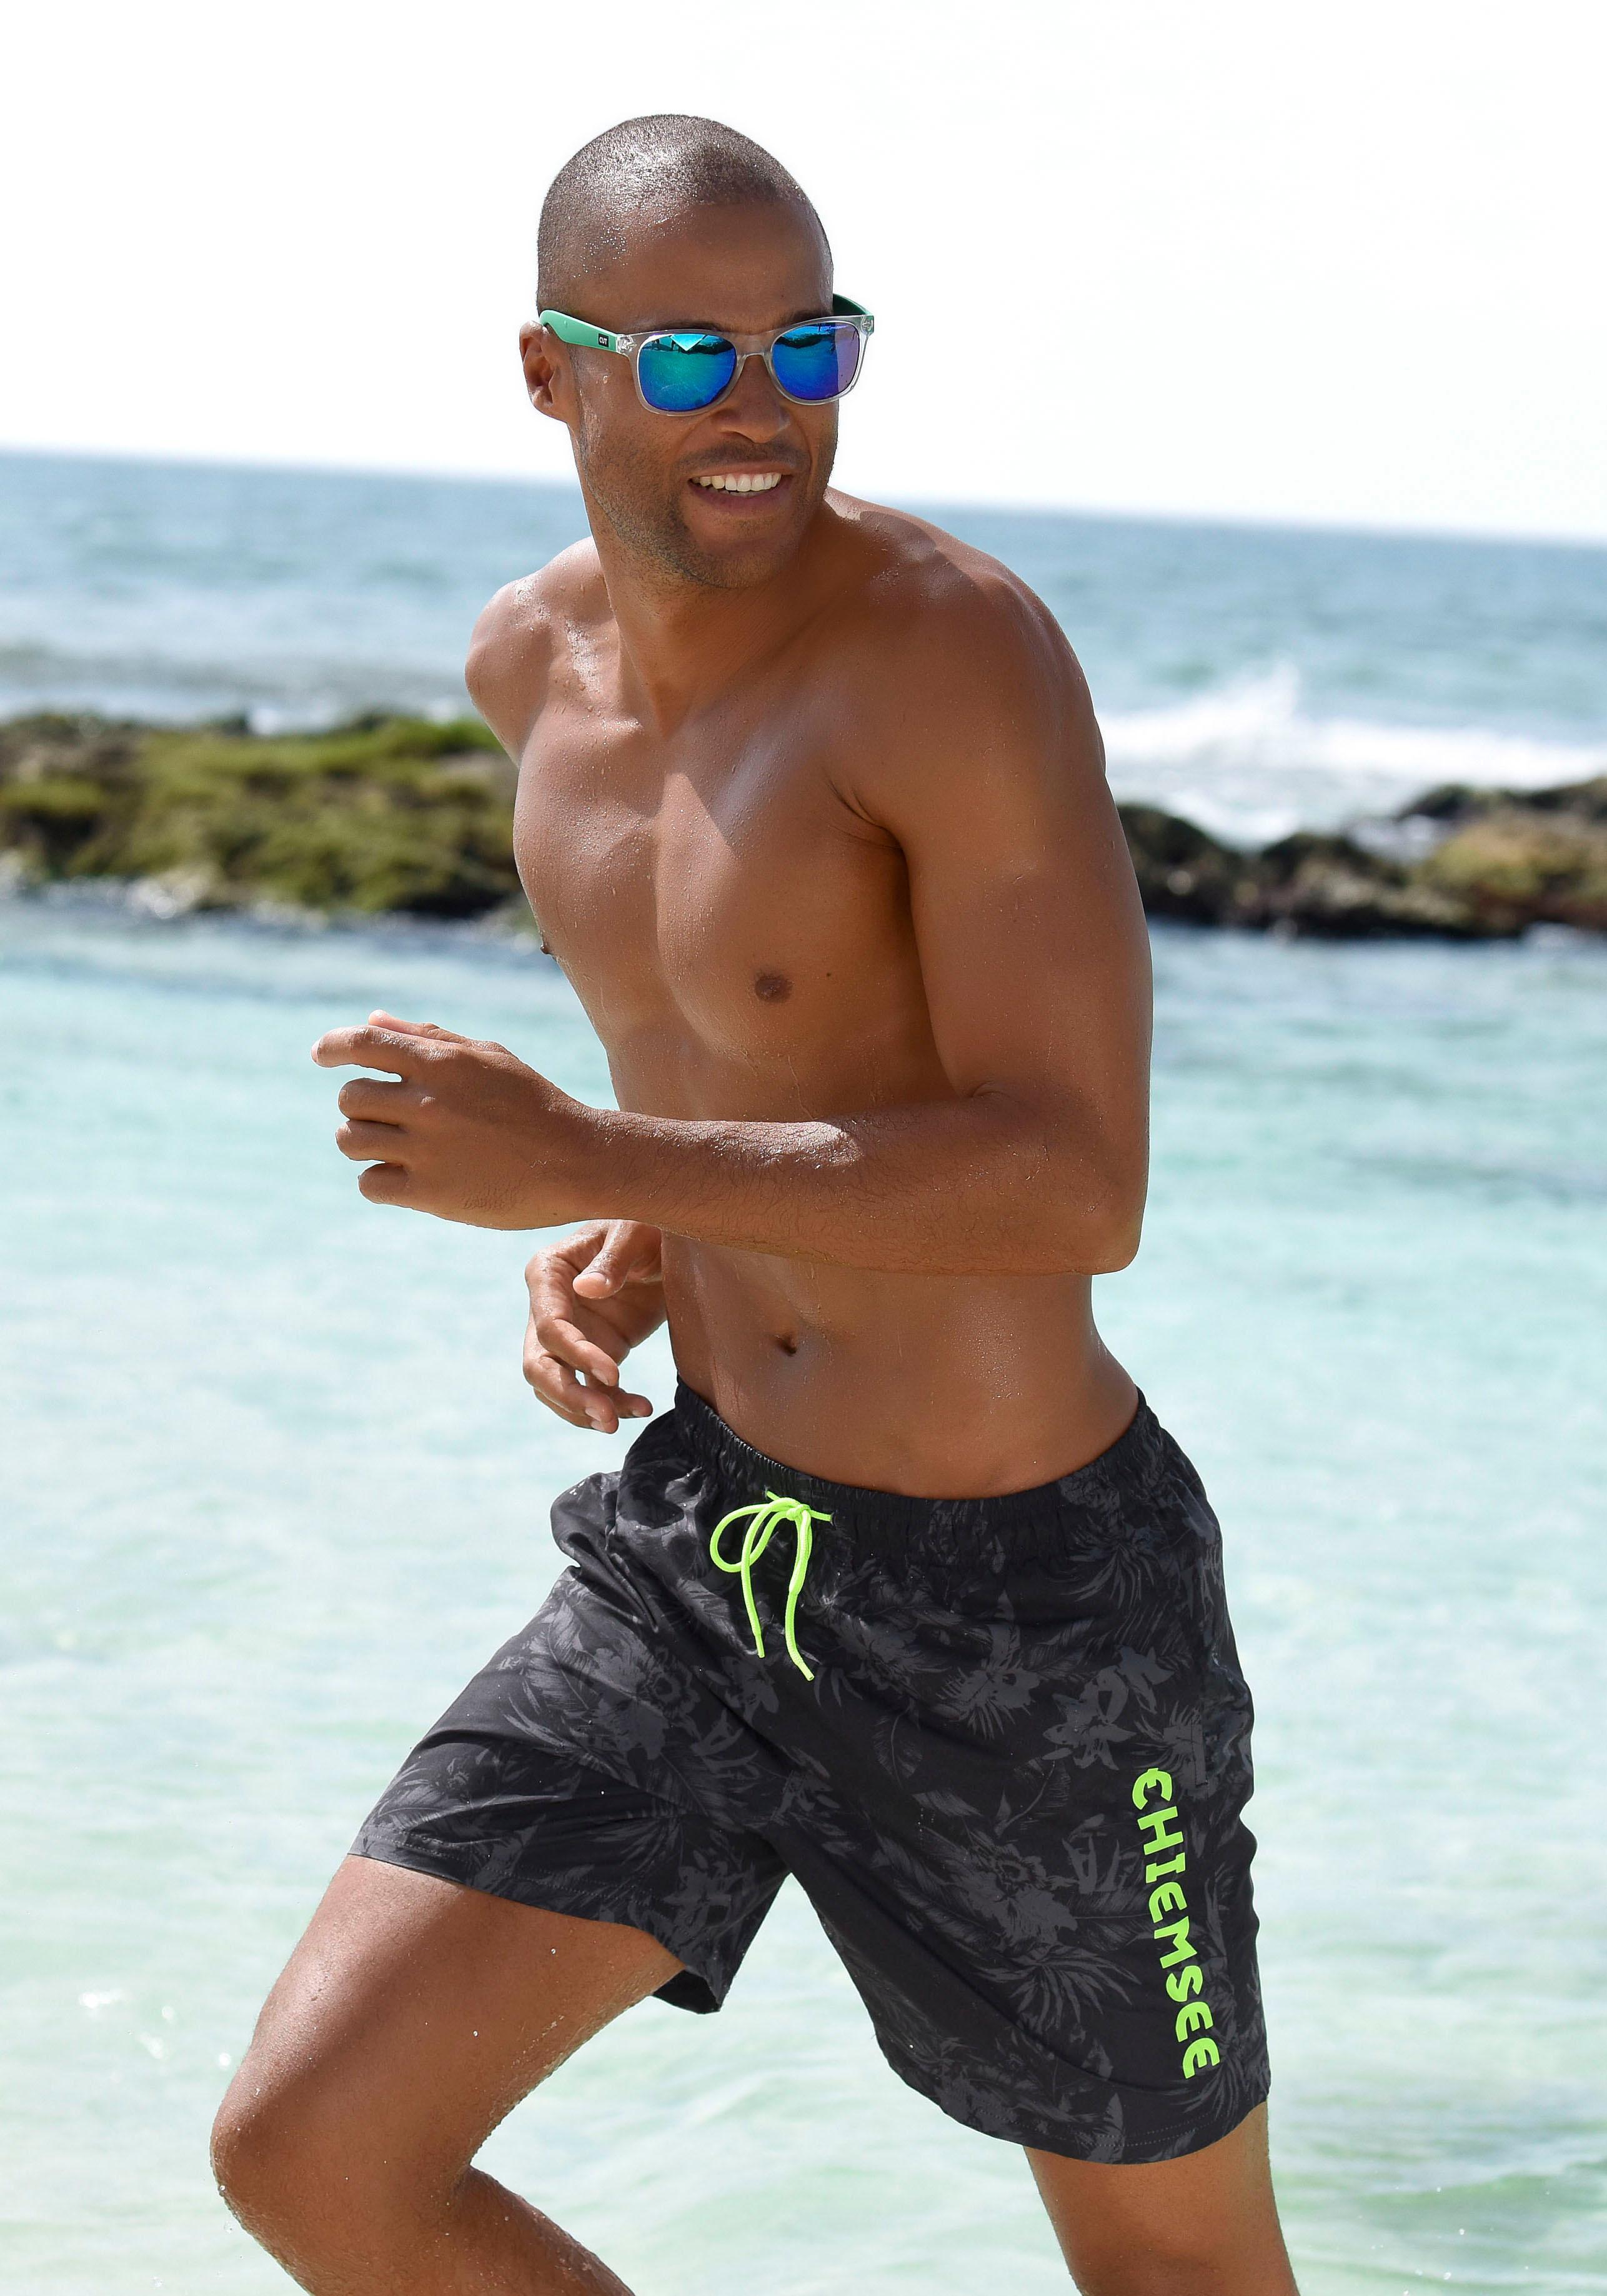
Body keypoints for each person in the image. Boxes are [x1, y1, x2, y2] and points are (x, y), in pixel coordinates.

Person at [211, 114, 1297, 2295]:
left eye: (809, 347)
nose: (761, 407)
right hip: (710, 1556)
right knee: (320, 2154)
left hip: (1028, 1614)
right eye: (691, 356)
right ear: (551, 371)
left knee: (1176, 2273)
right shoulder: (529, 672)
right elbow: (773, 1061)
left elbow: (1075, 1178)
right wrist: (654, 1237)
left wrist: (599, 1162)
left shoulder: (950, 653)